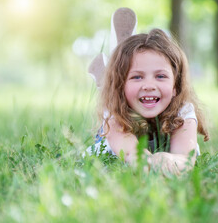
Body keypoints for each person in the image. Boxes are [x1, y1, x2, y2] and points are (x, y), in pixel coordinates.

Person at [85, 28, 209, 175]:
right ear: (121, 87)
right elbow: (133, 155)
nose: (149, 86)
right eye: (137, 77)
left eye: (160, 76)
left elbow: (185, 159)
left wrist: (166, 160)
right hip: (112, 138)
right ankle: (107, 78)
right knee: (110, 101)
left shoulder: (183, 111)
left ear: (176, 85)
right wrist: (147, 162)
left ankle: (113, 70)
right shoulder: (115, 113)